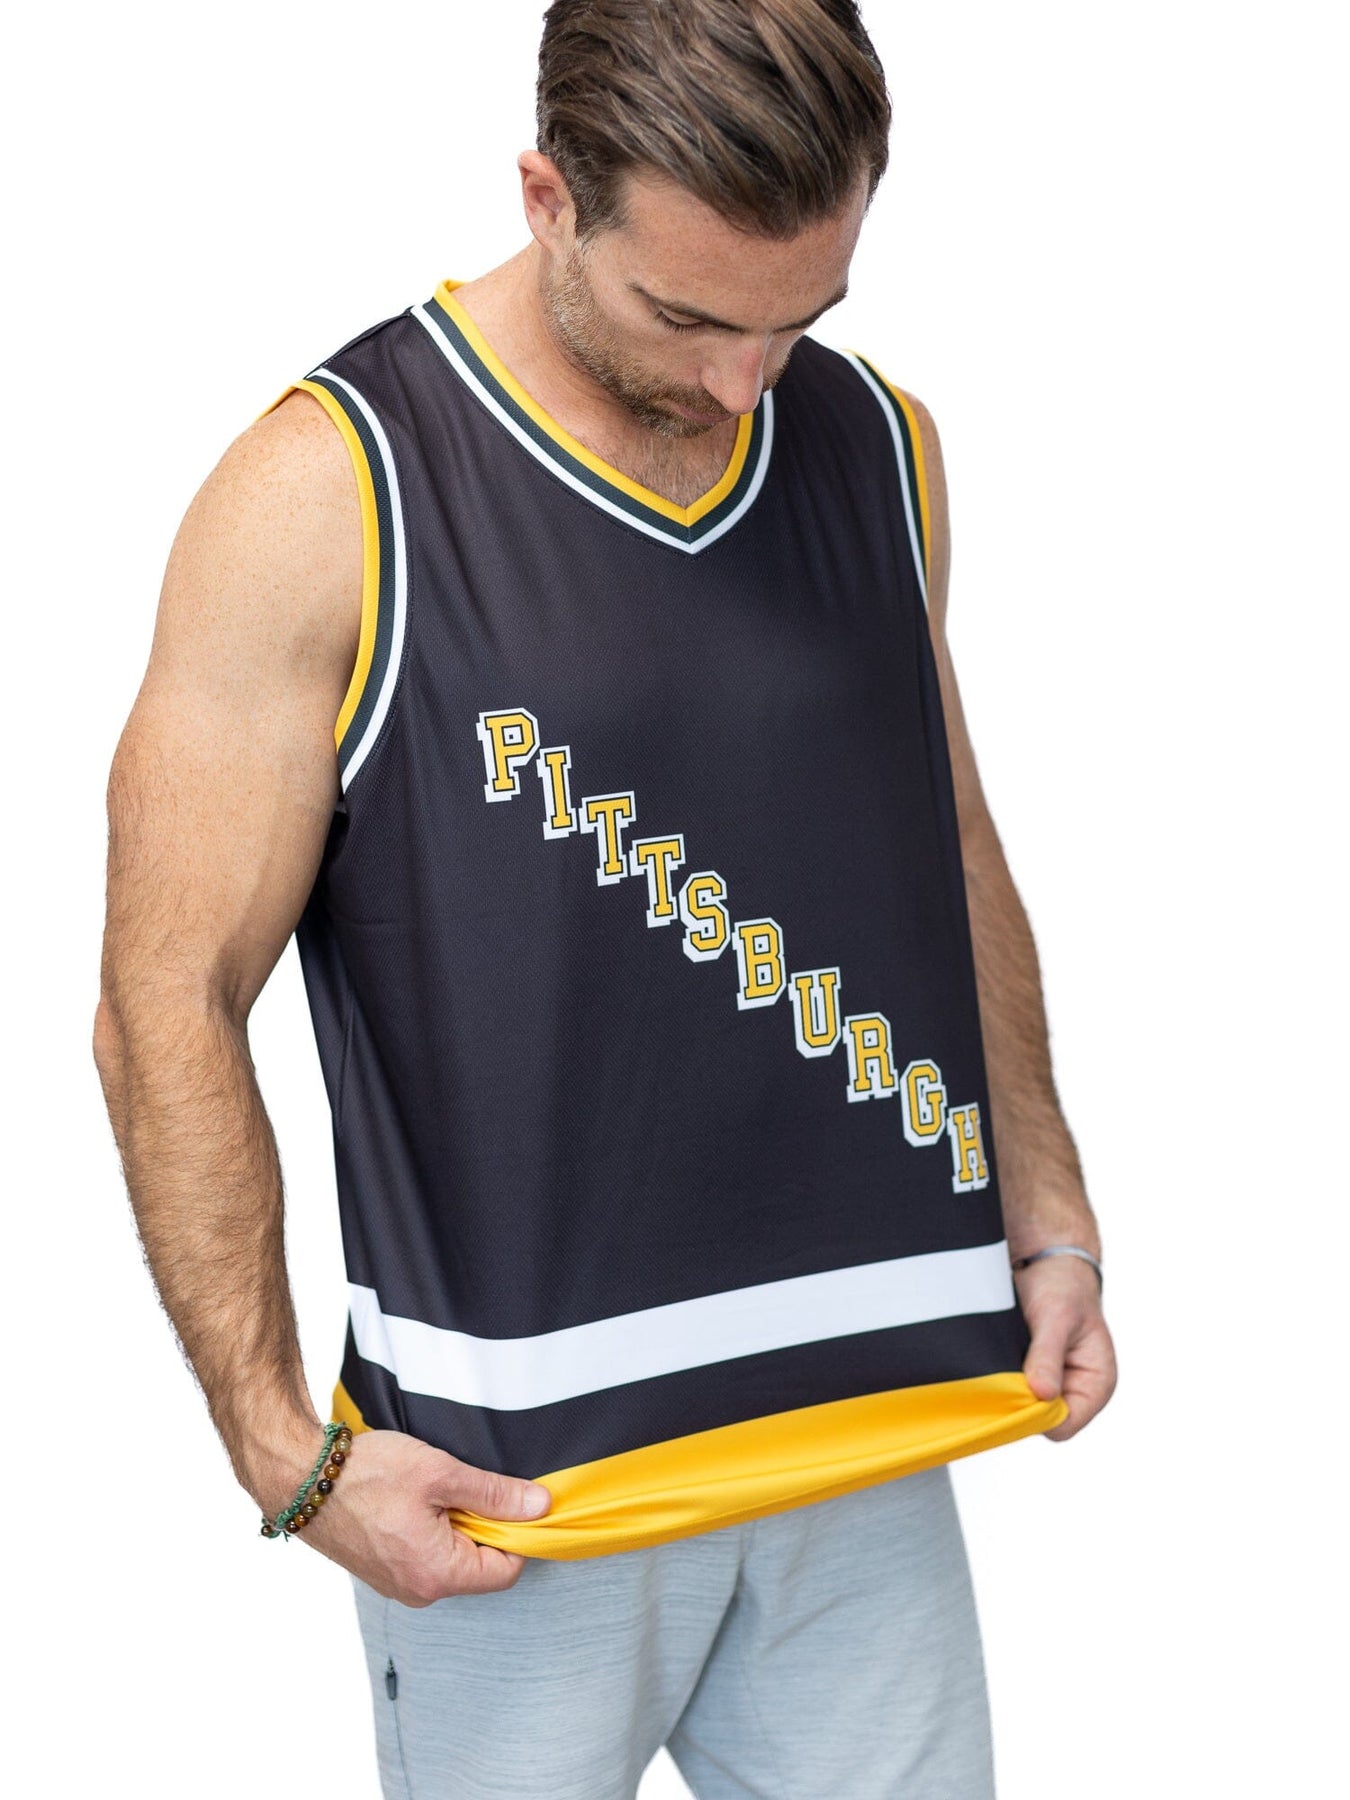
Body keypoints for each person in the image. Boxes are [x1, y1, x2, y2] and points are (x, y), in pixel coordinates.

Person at [93, 1, 1116, 1794]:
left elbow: (940, 830)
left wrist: (1047, 1206)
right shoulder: (326, 492)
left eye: (800, 318)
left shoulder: (880, 448)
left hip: (867, 1433)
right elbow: (161, 997)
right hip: (512, 1502)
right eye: (690, 318)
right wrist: (280, 1451)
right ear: (548, 196)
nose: (746, 382)